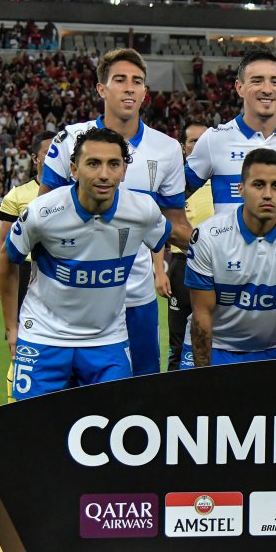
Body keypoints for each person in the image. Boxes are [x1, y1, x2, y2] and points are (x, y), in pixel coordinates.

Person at [0, 129, 184, 399]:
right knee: (33, 431)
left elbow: (173, 236)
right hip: (44, 338)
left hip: (107, 342)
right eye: (93, 163)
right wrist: (11, 328)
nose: (104, 174)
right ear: (74, 169)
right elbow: (7, 257)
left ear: (124, 169)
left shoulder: (142, 210)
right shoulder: (43, 213)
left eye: (114, 164)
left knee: (114, 432)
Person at [38, 48, 191, 376]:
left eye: (137, 82)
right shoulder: (70, 140)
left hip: (136, 295)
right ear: (101, 89)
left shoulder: (166, 149)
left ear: (145, 92)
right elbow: (43, 214)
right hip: (74, 298)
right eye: (120, 80)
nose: (130, 88)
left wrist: (206, 245)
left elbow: (177, 221)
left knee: (141, 393)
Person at [182, 148, 276, 367]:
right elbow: (202, 314)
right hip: (217, 345)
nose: (268, 194)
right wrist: (204, 378)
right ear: (240, 189)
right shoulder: (209, 236)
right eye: (258, 185)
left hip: (275, 346)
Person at [185, 49, 276, 214]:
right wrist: (196, 237)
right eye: (257, 81)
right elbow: (173, 199)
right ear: (239, 88)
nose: (267, 89)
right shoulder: (214, 140)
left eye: (275, 81)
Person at [0, 131, 54, 402]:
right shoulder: (18, 194)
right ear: (35, 157)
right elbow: (2, 237)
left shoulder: (70, 192)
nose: (54, 157)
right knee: (20, 344)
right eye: (49, 151)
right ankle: (15, 402)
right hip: (23, 270)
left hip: (55, 270)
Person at [165, 122, 214, 371]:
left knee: (210, 337)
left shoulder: (222, 182)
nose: (199, 145)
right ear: (184, 147)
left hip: (216, 267)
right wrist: (157, 270)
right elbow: (159, 226)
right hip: (181, 265)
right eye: (193, 141)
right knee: (176, 341)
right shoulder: (174, 184)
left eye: (203, 140)